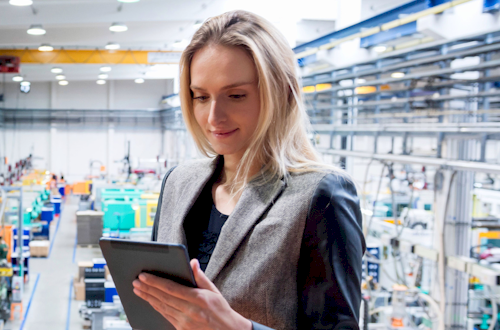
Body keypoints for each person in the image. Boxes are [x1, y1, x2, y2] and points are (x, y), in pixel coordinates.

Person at [138, 10, 365, 330]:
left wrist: (236, 328)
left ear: (281, 93)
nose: (213, 117)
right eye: (201, 97)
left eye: (236, 95)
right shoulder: (178, 182)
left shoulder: (320, 196)